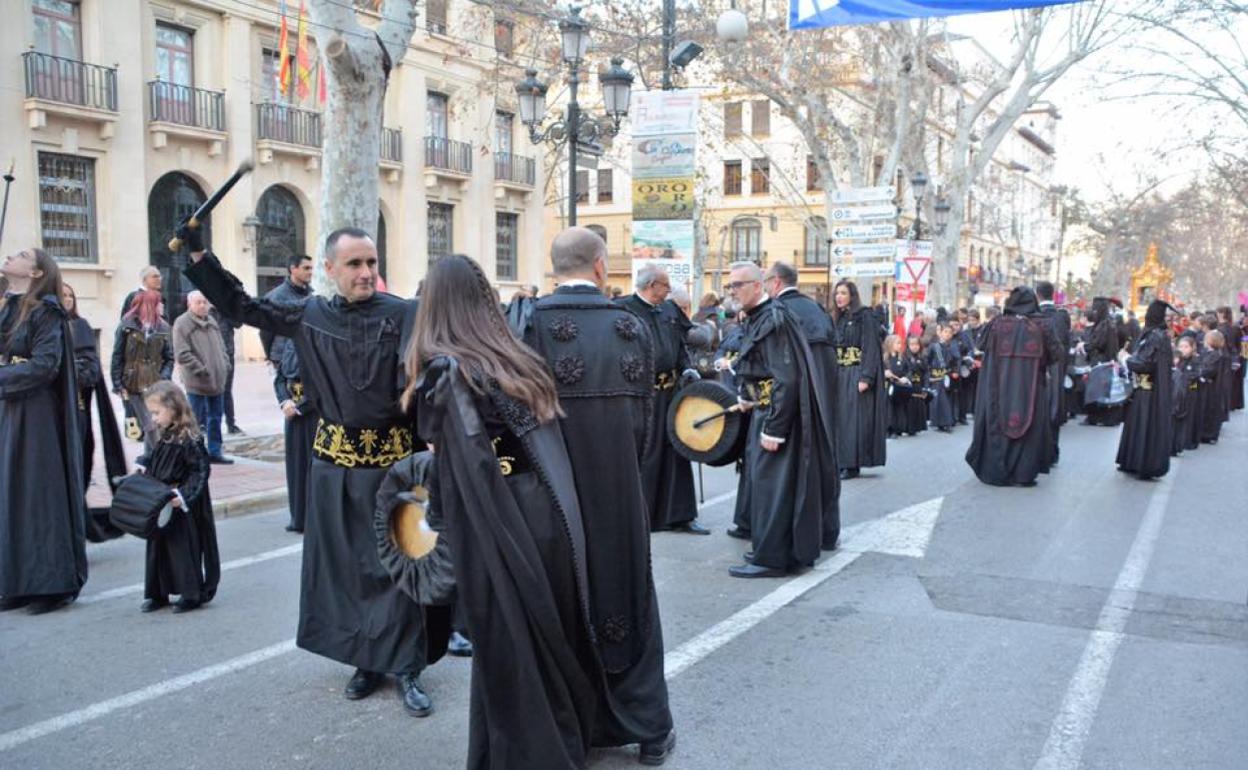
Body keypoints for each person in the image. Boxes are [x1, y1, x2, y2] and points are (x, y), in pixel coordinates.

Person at [183, 226, 439, 717]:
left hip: (396, 470)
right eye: (354, 264)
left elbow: (429, 375)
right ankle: (365, 660)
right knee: (345, 568)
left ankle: (407, 664)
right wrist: (199, 255)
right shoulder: (307, 313)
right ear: (329, 269)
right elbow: (241, 307)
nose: (366, 273)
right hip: (335, 469)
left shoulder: (406, 313)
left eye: (371, 262)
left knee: (399, 567)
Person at [404, 254, 598, 770]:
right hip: (545, 511)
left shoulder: (447, 371)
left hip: (500, 521)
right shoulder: (517, 358)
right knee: (544, 638)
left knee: (509, 646)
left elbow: (460, 470)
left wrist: (441, 531)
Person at [523, 227, 676, 765]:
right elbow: (647, 424)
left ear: (554, 265)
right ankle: (650, 729)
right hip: (620, 493)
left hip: (551, 502)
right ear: (599, 266)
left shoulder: (525, 323)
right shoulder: (631, 325)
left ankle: (574, 728)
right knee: (629, 597)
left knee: (564, 606)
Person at [725, 261, 838, 578]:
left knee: (771, 487)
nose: (732, 291)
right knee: (771, 487)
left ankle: (772, 558)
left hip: (777, 416)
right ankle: (774, 551)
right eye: (730, 286)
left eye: (738, 285)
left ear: (759, 285)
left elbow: (785, 378)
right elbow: (758, 366)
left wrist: (774, 428)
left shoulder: (773, 318)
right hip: (767, 410)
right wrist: (747, 397)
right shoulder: (761, 317)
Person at [0, 248, 89, 614]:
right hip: (11, 409)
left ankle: (51, 584)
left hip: (37, 416)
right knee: (12, 494)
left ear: (36, 272)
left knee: (38, 496)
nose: (9, 255)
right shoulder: (10, 307)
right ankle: (18, 583)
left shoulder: (47, 311)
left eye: (20, 255)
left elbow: (43, 366)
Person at [616, 265, 707, 535]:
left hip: (671, 393)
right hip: (641, 396)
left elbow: (681, 345)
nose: (669, 290)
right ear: (652, 284)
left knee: (678, 452)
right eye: (666, 285)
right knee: (647, 454)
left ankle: (681, 515)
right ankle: (645, 516)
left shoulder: (669, 310)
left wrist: (687, 367)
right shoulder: (623, 310)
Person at [763, 262, 840, 551]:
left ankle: (800, 539)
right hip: (826, 398)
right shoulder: (818, 309)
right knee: (825, 462)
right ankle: (827, 532)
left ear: (777, 282)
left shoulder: (780, 312)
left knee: (799, 470)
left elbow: (785, 370)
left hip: (801, 400)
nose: (766, 287)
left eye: (766, 281)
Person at [136, 381, 221, 613]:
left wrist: (183, 496)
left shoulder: (190, 438)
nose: (153, 418)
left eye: (156, 412)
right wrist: (145, 465)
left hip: (179, 504)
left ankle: (190, 594)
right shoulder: (166, 434)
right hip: (161, 501)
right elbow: (157, 458)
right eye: (151, 413)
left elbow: (200, 471)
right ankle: (158, 593)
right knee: (158, 549)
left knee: (182, 549)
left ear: (173, 408)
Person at [965, 287, 1062, 487]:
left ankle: (998, 470)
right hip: (1032, 388)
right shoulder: (1043, 324)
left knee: (998, 422)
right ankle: (1023, 474)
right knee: (1030, 425)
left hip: (998, 386)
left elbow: (980, 344)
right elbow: (1057, 354)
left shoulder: (996, 324)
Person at [63, 283, 125, 542]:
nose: (66, 299)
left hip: (75, 414)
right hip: (47, 417)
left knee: (74, 472)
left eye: (69, 294)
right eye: (61, 294)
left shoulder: (80, 327)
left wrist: (60, 370)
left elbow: (90, 371)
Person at [830, 279, 887, 480]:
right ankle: (840, 461)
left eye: (843, 293)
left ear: (852, 296)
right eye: (837, 293)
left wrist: (866, 377)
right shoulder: (837, 318)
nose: (839, 297)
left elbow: (870, 346)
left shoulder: (865, 316)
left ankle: (851, 464)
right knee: (841, 420)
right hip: (839, 373)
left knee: (853, 422)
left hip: (856, 373)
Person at [1115, 300, 1174, 480]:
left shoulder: (1156, 336)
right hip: (1142, 388)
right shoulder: (1153, 334)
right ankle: (1131, 461)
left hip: (1149, 390)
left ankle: (1143, 464)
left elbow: (1145, 363)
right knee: (1135, 425)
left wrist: (1125, 359)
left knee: (1145, 427)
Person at [172, 291, 233, 464]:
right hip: (197, 381)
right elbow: (182, 353)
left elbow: (221, 346)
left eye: (205, 302)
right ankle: (193, 454)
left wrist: (225, 364)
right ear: (189, 304)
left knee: (216, 417)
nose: (202, 305)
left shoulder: (212, 321)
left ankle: (215, 451)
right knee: (195, 419)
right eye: (198, 302)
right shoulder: (182, 323)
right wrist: (201, 369)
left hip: (217, 380)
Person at [111, 290, 174, 450]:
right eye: (158, 303)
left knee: (155, 425)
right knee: (150, 424)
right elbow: (117, 355)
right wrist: (117, 383)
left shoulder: (163, 327)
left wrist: (164, 377)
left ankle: (148, 462)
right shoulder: (126, 326)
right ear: (149, 305)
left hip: (155, 383)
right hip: (133, 383)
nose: (162, 306)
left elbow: (169, 357)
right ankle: (154, 461)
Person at [1035, 281, 1071, 464]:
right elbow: (1066, 344)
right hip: (1056, 369)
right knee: (1053, 410)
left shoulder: (1034, 316)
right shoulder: (1060, 317)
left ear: (1037, 295)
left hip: (1037, 370)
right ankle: (1052, 452)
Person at [260, 254, 314, 365]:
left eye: (311, 268)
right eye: (306, 268)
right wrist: (271, 356)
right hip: (283, 359)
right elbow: (265, 331)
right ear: (293, 269)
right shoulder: (276, 297)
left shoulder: (313, 295)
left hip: (307, 357)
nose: (310, 272)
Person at [1082, 297, 1123, 426]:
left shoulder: (1105, 324)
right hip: (1104, 360)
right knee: (1100, 390)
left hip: (1102, 361)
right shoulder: (1106, 323)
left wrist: (1085, 346)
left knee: (1099, 390)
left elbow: (1099, 343)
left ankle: (1100, 417)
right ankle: (1097, 417)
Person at [212, 307, 242, 435]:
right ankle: (210, 426)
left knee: (227, 391)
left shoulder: (225, 309)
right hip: (210, 356)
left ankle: (231, 423)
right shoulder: (206, 311)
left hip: (227, 354)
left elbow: (238, 323)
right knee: (211, 391)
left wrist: (227, 309)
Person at [1171, 334, 1202, 455]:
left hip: (1190, 393)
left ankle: (1187, 441)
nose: (1183, 349)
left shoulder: (1195, 360)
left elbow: (1194, 375)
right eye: (1181, 346)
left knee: (1188, 418)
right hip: (1177, 394)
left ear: (1192, 348)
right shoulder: (1177, 360)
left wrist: (1183, 378)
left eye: (1186, 347)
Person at [925, 323, 958, 433]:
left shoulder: (952, 346)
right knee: (939, 400)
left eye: (950, 332)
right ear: (940, 333)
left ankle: (944, 422)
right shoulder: (934, 346)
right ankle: (944, 423)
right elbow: (927, 360)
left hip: (947, 376)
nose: (948, 334)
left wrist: (954, 371)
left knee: (947, 399)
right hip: (936, 376)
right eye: (945, 332)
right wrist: (929, 374)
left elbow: (954, 361)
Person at [1197, 329, 1226, 444]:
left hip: (1211, 388)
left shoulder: (1216, 355)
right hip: (1208, 386)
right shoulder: (1210, 353)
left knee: (1210, 410)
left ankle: (1209, 434)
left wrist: (1200, 371)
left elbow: (1209, 370)